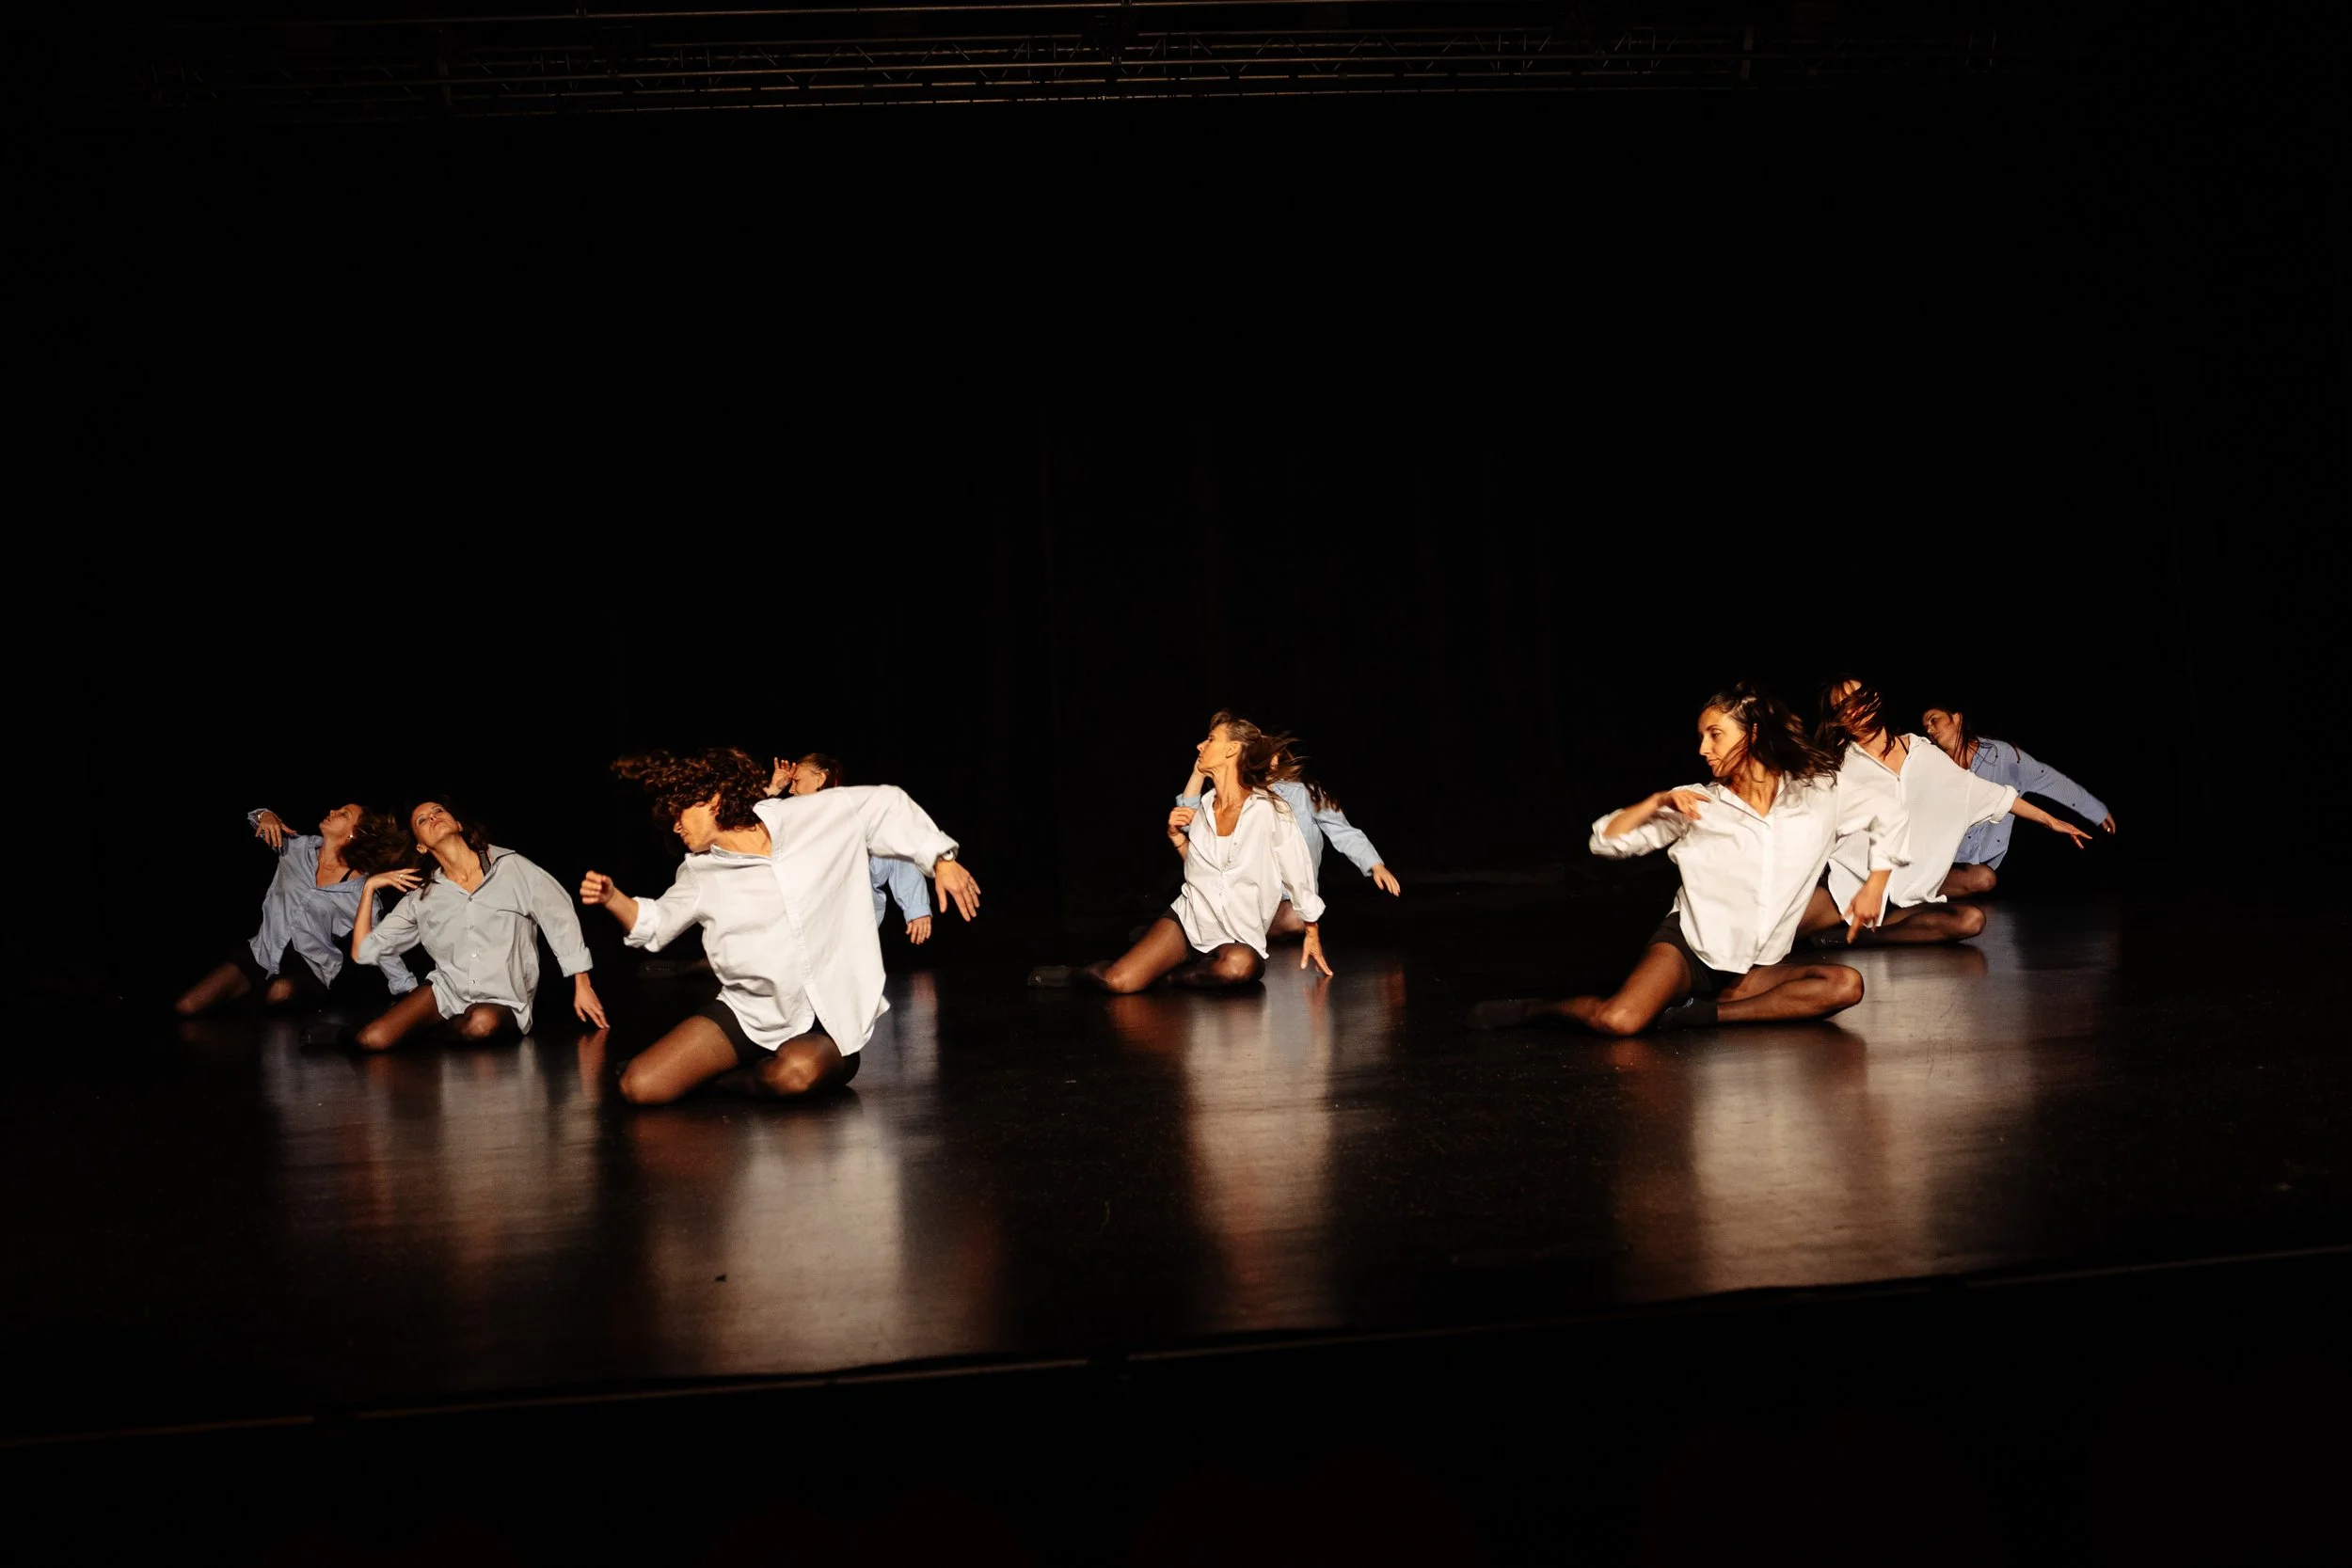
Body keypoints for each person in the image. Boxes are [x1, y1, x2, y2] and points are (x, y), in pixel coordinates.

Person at [1467, 683, 1898, 1035]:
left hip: (1756, 965)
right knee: (1619, 1020)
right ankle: (1538, 1009)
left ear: (1751, 735)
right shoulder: (1697, 804)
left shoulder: (1816, 794)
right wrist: (1655, 802)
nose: (1703, 749)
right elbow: (1606, 841)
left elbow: (1889, 811)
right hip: (1690, 948)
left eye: (1715, 735)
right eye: (1701, 737)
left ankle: (1702, 1015)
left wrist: (1876, 881)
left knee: (1845, 985)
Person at [584, 748, 978, 1105]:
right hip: (752, 1012)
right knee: (639, 1085)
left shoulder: (808, 816)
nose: (675, 827)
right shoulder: (699, 872)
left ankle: (729, 1080)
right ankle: (723, 1068)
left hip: (829, 1018)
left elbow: (886, 804)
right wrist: (612, 897)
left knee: (794, 1073)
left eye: (679, 813)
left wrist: (941, 860)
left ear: (713, 800)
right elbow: (654, 925)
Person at [1030, 712, 1329, 992]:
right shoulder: (1205, 809)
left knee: (1240, 966)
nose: (1201, 744)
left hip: (1238, 935)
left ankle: (1172, 977)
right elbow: (1201, 870)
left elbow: (1296, 866)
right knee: (1118, 982)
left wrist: (1312, 929)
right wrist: (1178, 839)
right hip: (1190, 921)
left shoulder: (1268, 810)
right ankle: (1074, 974)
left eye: (1211, 739)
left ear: (1232, 749)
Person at [1798, 677, 2092, 945]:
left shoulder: (1921, 753)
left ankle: (1851, 940)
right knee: (1770, 932)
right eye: (1843, 708)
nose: (1856, 711)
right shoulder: (1839, 765)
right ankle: (1843, 930)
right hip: (1847, 890)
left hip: (1902, 898)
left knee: (1970, 920)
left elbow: (1983, 792)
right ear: (1838, 720)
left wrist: (2049, 821)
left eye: (1859, 699)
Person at [346, 800, 606, 1049]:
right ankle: (366, 1032)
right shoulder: (422, 896)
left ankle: (427, 1031)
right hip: (446, 992)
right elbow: (362, 951)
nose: (433, 817)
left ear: (459, 825)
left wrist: (582, 984)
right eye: (422, 820)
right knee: (372, 1039)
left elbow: (559, 916)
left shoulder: (511, 868)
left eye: (438, 811)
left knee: (481, 1024)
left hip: (503, 999)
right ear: (421, 847)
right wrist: (369, 887)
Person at [174, 802, 419, 1017]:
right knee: (187, 1006)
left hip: (307, 968)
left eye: (343, 814)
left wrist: (408, 990)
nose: (333, 811)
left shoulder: (359, 890)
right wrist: (265, 815)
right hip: (261, 953)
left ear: (354, 833)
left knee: (281, 992)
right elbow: (255, 819)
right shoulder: (295, 848)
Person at [1173, 741, 1400, 940]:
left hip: (1286, 901)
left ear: (1272, 760)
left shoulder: (1306, 794)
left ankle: (1231, 935)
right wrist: (1199, 771)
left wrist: (1375, 865)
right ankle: (1223, 933)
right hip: (1246, 898)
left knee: (1296, 918)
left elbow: (1343, 831)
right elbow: (1189, 823)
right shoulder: (1240, 796)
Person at [1921, 703, 2116, 895]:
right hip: (1939, 861)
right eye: (1926, 727)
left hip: (1977, 868)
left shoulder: (2001, 756)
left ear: (1957, 718)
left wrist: (2094, 809)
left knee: (1984, 879)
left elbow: (2046, 777)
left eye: (1934, 720)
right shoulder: (1933, 764)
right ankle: (1907, 890)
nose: (1929, 728)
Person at [767, 752, 937, 946]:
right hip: (802, 931)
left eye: (796, 781)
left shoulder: (854, 814)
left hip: (851, 931)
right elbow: (742, 832)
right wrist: (772, 790)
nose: (791, 789)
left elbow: (898, 851)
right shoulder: (785, 818)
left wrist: (917, 908)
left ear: (820, 778)